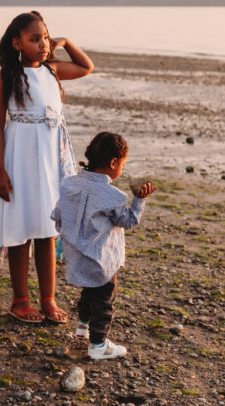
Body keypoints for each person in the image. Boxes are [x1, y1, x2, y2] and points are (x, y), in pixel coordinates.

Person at [0, 11, 94, 324]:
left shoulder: (51, 70)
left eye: (45, 37)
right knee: (20, 229)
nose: (43, 44)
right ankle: (20, 300)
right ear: (17, 43)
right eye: (35, 39)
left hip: (51, 162)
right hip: (20, 159)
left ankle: (48, 300)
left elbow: (86, 67)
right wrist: (0, 171)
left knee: (47, 230)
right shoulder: (5, 76)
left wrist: (65, 41)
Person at [52, 132, 156, 360]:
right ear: (113, 163)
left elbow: (57, 215)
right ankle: (98, 345)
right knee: (104, 301)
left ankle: (82, 330)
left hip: (78, 256)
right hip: (102, 260)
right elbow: (129, 221)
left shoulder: (70, 184)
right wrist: (139, 200)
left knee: (88, 293)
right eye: (123, 164)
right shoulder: (113, 196)